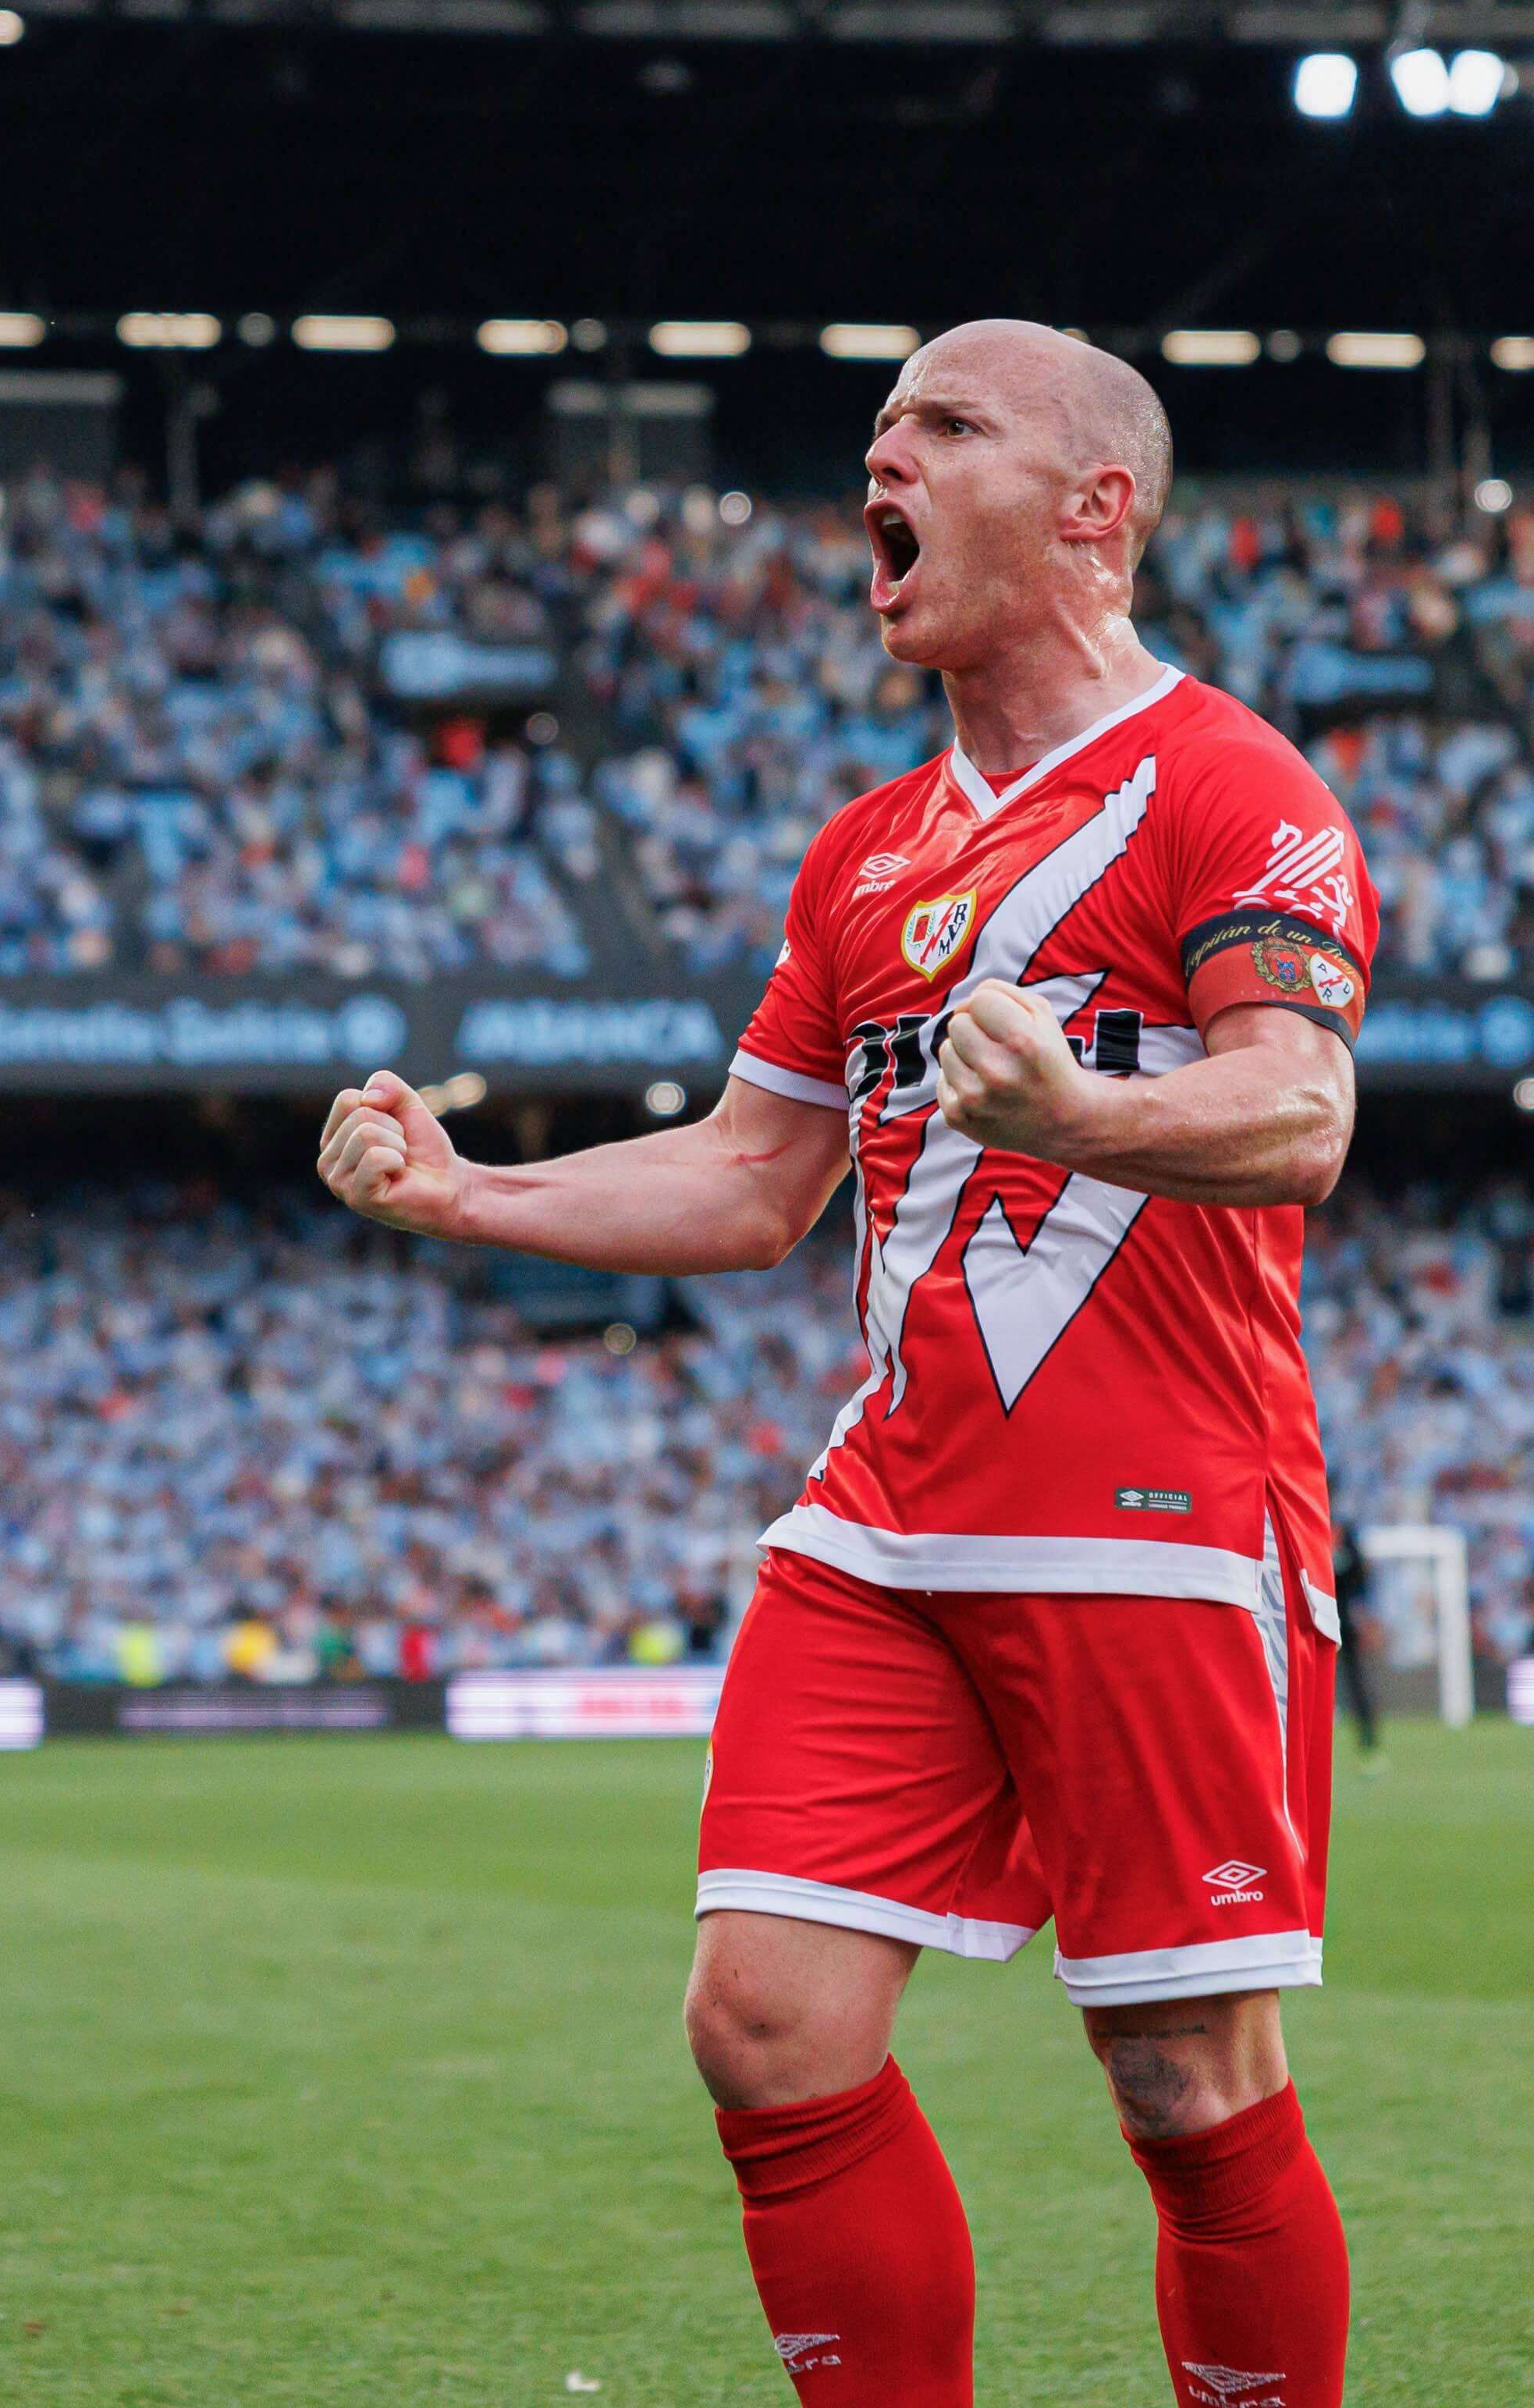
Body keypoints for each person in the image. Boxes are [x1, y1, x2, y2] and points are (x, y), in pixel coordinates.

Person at [320, 322, 1370, 2408]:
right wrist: (472, 1198)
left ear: (1099, 510)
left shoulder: (1232, 785)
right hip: (888, 1521)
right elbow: (749, 1175)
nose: (880, 461)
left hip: (1156, 1522)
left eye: (945, 428)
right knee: (767, 2028)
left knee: (1179, 2075)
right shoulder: (864, 855)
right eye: (880, 432)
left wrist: (1083, 1116)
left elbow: (1298, 1111)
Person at [1330, 1518, 1383, 1763]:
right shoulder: (1305, 1524)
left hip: (1344, 1621)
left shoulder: (1345, 1532)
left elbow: (1360, 1576)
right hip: (1312, 1620)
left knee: (1355, 1681)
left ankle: (1368, 1737)